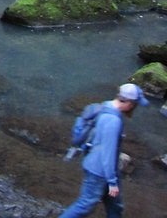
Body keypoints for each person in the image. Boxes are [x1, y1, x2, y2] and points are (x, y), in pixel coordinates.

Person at [58, 82, 149, 218]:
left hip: (100, 167)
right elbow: (108, 153)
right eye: (135, 104)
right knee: (85, 205)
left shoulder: (105, 106)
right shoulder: (113, 121)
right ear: (130, 103)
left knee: (115, 206)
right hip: (99, 171)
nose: (134, 108)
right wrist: (112, 181)